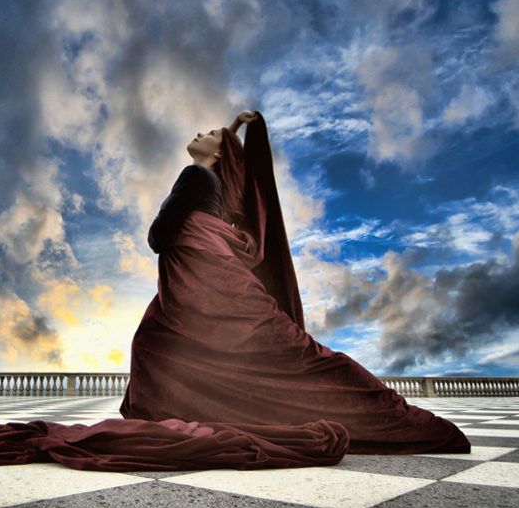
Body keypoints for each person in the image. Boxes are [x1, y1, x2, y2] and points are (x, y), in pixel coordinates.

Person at [120, 110, 471, 455]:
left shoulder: (195, 175)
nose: (200, 132)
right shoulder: (214, 183)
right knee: (293, 355)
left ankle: (388, 413)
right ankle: (390, 412)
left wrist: (161, 229)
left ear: (218, 152)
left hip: (212, 282)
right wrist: (238, 124)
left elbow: (158, 237)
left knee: (156, 342)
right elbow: (225, 151)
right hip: (219, 279)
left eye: (209, 133)